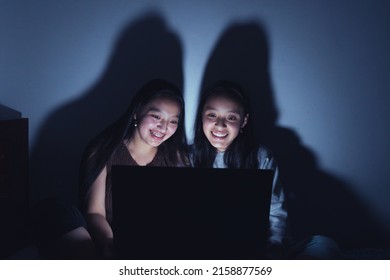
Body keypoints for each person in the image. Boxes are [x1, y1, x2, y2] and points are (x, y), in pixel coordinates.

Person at [32, 78, 190, 259]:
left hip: (154, 247)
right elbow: (94, 212)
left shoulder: (178, 158)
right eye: (156, 116)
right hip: (109, 242)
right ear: (137, 112)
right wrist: (111, 243)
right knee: (53, 211)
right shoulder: (103, 150)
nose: (163, 127)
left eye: (173, 121)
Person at [190, 80, 343, 259]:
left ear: (244, 121)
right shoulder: (188, 156)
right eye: (212, 115)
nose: (220, 124)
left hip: (258, 244)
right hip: (209, 244)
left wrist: (274, 246)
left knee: (325, 246)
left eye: (231, 117)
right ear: (201, 116)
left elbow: (276, 209)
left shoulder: (260, 156)